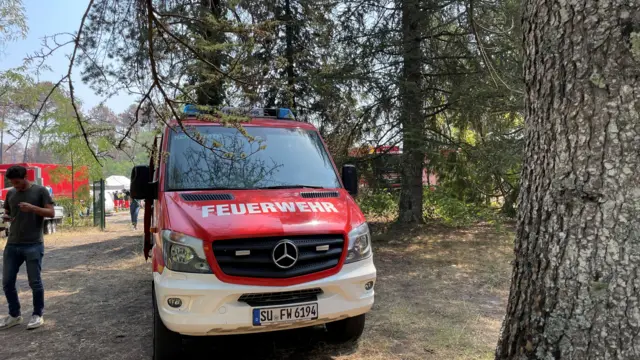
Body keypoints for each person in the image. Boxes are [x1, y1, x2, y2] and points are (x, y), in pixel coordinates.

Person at [0, 165, 54, 330]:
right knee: (7, 282)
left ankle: (37, 314)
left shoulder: (40, 191)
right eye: (12, 182)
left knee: (35, 282)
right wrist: (6, 217)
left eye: (17, 182)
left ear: (25, 177)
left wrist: (32, 208)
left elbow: (51, 213)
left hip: (33, 244)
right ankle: (15, 315)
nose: (15, 185)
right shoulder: (11, 193)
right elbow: (8, 212)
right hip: (12, 244)